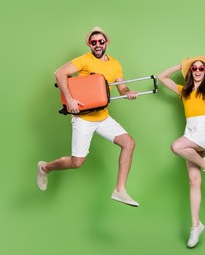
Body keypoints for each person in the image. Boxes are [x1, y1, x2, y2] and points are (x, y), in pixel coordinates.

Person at [37, 26, 140, 207]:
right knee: (77, 162)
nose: (98, 45)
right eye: (94, 42)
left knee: (129, 143)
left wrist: (128, 93)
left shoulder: (115, 64)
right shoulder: (84, 60)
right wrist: (69, 100)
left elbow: (122, 87)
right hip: (83, 119)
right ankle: (45, 167)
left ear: (106, 42)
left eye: (101, 41)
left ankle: (120, 190)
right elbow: (59, 73)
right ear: (90, 45)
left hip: (103, 117)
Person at [157, 56, 205, 247]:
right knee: (193, 181)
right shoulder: (184, 91)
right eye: (194, 68)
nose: (197, 71)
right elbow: (161, 77)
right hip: (190, 131)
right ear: (191, 72)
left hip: (204, 131)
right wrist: (181, 65)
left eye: (201, 69)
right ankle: (195, 226)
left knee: (177, 146)